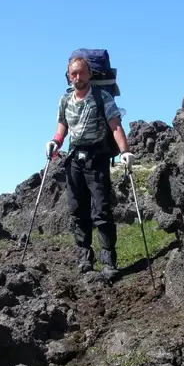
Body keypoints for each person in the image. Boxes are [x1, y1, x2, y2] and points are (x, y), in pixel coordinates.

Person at [46, 56, 136, 280]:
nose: (78, 77)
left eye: (81, 72)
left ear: (90, 74)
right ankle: (85, 258)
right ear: (68, 76)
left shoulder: (102, 97)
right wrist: (56, 142)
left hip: (97, 159)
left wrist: (124, 151)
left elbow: (115, 126)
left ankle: (109, 261)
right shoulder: (65, 101)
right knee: (77, 209)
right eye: (73, 73)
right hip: (75, 158)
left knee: (101, 209)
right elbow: (62, 126)